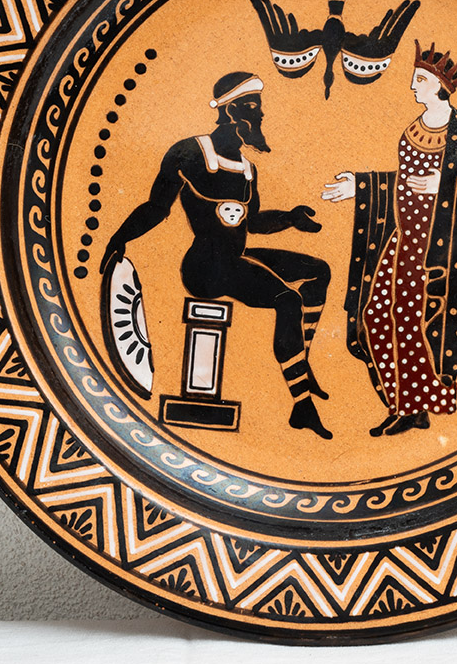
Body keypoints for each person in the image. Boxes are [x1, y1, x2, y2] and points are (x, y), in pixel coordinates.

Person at [102, 71, 333, 439]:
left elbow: (253, 222)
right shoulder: (190, 153)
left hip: (235, 258)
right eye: (252, 106)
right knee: (287, 299)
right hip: (204, 269)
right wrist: (120, 237)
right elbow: (157, 207)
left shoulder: (247, 169)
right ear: (230, 110)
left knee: (318, 270)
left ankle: (300, 364)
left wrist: (290, 219)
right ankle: (302, 405)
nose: (260, 114)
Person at [323, 42, 457, 435]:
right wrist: (363, 186)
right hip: (404, 237)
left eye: (419, 80)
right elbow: (406, 182)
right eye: (415, 78)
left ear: (441, 87)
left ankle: (416, 406)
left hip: (442, 246)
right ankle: (402, 402)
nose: (412, 86)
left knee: (416, 321)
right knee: (375, 315)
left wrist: (445, 185)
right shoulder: (413, 128)